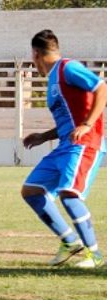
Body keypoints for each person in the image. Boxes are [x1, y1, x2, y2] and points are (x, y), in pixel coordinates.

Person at [22, 29, 107, 268]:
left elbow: (102, 88)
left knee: (69, 194)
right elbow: (67, 120)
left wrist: (87, 124)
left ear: (36, 53)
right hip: (65, 145)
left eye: (32, 56)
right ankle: (70, 242)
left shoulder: (68, 68)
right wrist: (44, 136)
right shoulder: (53, 79)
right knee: (32, 190)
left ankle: (95, 255)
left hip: (84, 144)